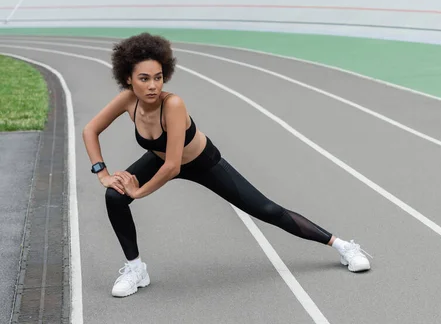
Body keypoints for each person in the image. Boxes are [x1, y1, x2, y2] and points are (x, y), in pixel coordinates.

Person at [82, 32, 371, 298]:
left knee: (267, 210)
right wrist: (103, 175)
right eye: (144, 78)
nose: (153, 85)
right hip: (159, 159)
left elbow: (172, 165)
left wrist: (138, 192)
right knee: (113, 196)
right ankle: (136, 269)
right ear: (128, 79)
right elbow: (90, 130)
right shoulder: (127, 100)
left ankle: (343, 246)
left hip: (202, 162)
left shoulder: (172, 105)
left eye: (158, 77)